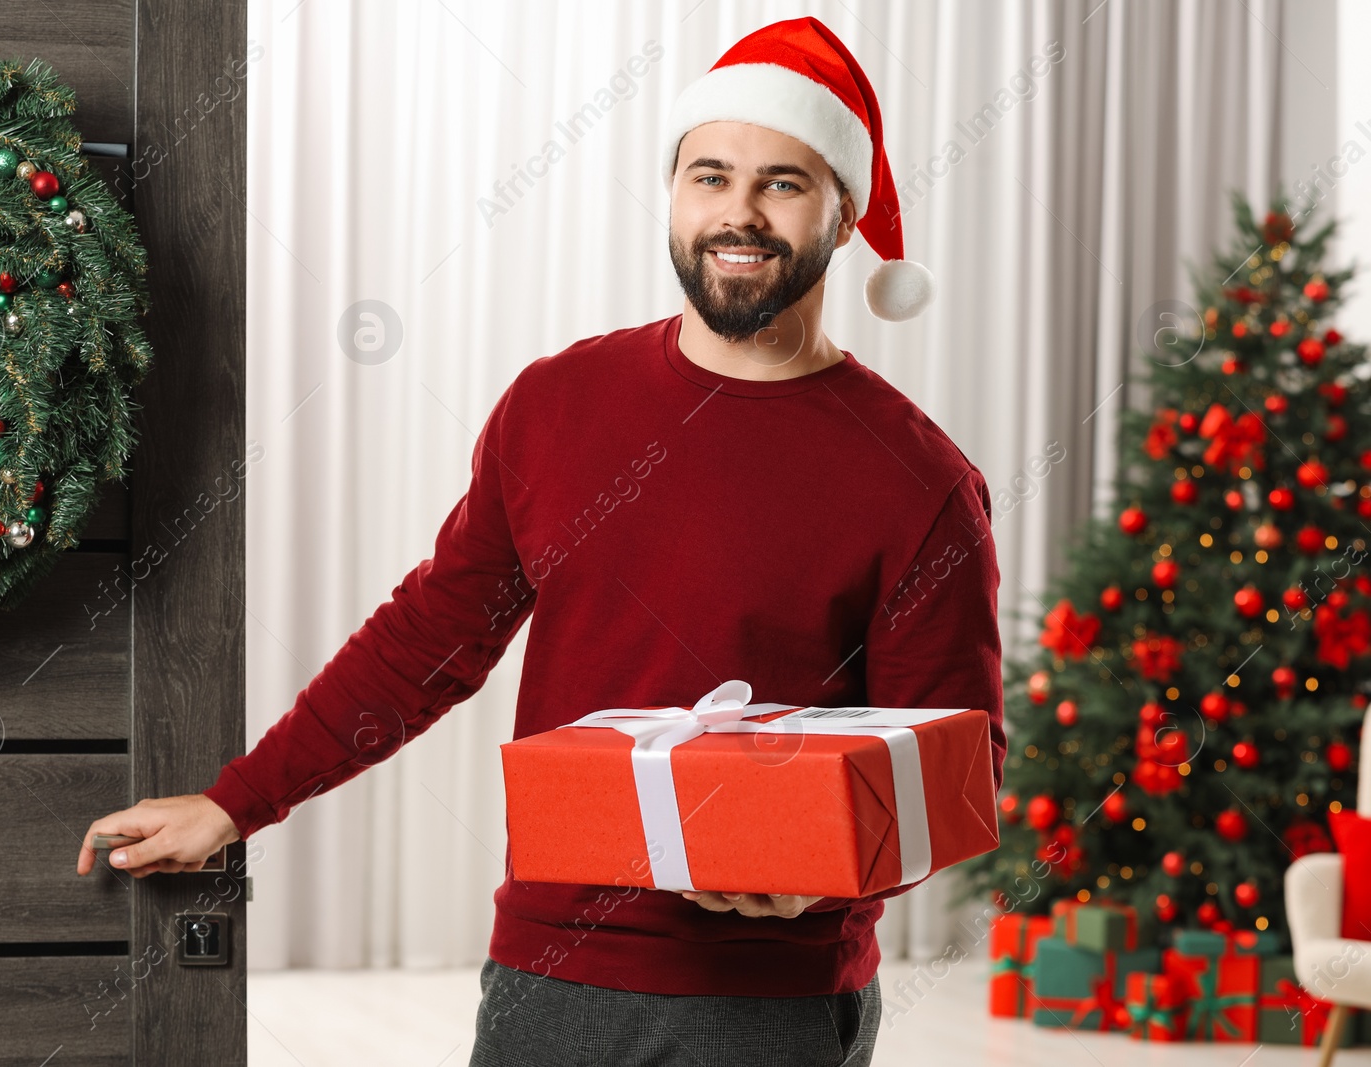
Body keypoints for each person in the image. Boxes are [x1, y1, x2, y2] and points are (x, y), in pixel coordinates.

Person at [76, 16, 1004, 1066]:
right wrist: (234, 800)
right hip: (543, 971)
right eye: (709, 175)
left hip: (762, 999)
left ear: (843, 216)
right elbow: (429, 637)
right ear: (671, 194)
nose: (737, 212)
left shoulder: (917, 480)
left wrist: (823, 873)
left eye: (782, 183)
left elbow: (958, 767)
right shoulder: (557, 404)